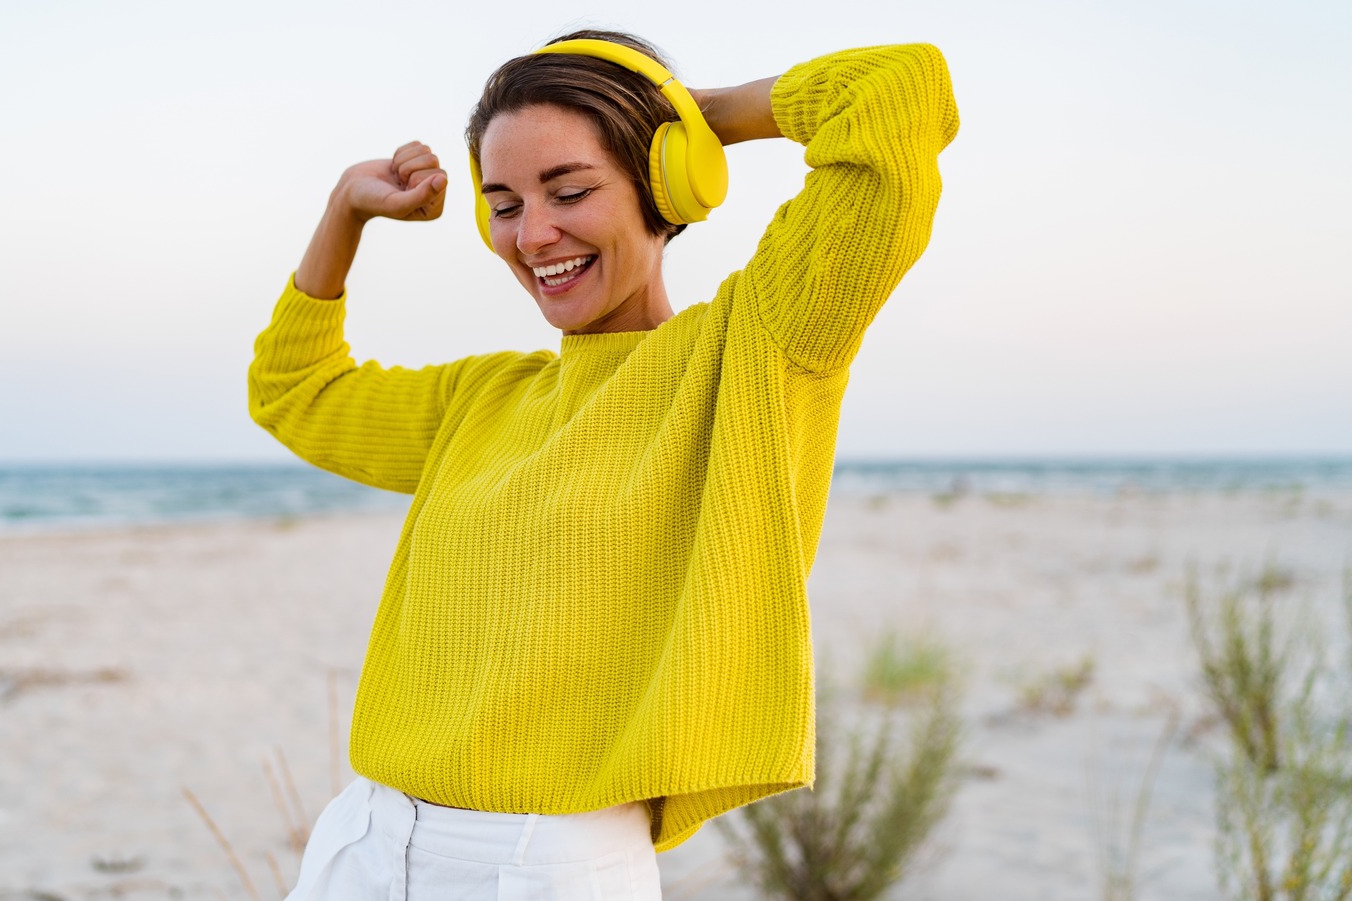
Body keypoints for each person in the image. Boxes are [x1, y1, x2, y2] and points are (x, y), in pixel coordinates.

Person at [249, 29, 958, 900]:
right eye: (503, 204)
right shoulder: (484, 400)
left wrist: (697, 123)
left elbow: (898, 91)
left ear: (660, 184)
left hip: (546, 866)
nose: (534, 233)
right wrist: (344, 213)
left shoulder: (753, 354)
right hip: (360, 842)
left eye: (570, 189)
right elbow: (293, 390)